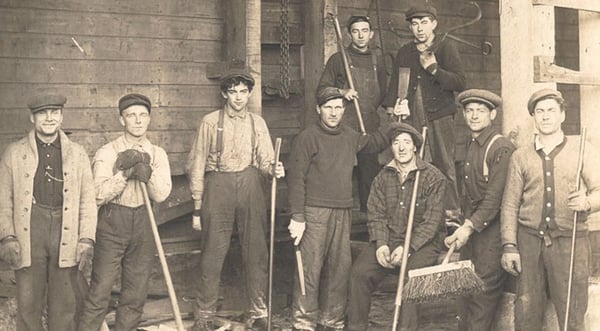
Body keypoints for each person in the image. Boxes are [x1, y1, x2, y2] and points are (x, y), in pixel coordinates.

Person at [286, 87, 399, 331]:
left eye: (338, 107)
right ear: (318, 109)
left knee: (340, 268)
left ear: (344, 110)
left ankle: (332, 321)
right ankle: (303, 322)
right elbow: (296, 178)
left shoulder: (350, 135)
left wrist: (395, 120)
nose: (334, 112)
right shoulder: (307, 138)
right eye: (328, 107)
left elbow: (376, 142)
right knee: (310, 268)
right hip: (314, 212)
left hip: (343, 211)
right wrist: (298, 216)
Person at [186, 69, 285, 330]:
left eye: (243, 92)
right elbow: (196, 164)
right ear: (224, 94)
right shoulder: (210, 121)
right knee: (212, 252)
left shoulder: (257, 123)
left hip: (250, 184)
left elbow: (265, 160)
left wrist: (274, 167)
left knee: (256, 251)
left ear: (249, 93)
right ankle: (205, 314)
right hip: (218, 184)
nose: (239, 97)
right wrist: (197, 205)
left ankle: (257, 311)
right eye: (233, 92)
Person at [501, 89, 600, 331]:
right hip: (529, 241)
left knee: (573, 312)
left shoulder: (582, 151)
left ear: (562, 115)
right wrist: (509, 246)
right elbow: (510, 203)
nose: (545, 117)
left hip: (571, 241)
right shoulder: (520, 156)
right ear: (533, 116)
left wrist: (587, 202)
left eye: (551, 111)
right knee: (526, 310)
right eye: (540, 111)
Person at [0, 94, 97, 331]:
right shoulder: (14, 153)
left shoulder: (77, 154)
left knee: (64, 302)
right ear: (32, 117)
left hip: (66, 229)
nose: (49, 118)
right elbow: (3, 199)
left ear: (62, 117)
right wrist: (8, 237)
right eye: (43, 113)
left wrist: (86, 238)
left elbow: (88, 200)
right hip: (30, 229)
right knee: (28, 301)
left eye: (55, 112)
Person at [78, 93, 172, 331]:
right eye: (131, 115)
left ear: (149, 119)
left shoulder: (158, 154)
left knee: (135, 292)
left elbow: (161, 195)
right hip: (112, 222)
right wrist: (124, 175)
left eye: (143, 115)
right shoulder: (107, 152)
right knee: (100, 291)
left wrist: (146, 173)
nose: (138, 121)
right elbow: (97, 194)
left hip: (144, 222)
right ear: (122, 120)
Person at [347, 124, 447, 331]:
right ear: (391, 147)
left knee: (411, 278)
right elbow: (376, 215)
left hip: (422, 244)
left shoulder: (433, 177)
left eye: (406, 142)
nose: (401, 148)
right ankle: (356, 327)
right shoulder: (382, 177)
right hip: (389, 238)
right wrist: (381, 244)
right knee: (359, 273)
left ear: (415, 147)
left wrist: (407, 248)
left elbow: (431, 223)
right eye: (396, 142)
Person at [382, 3, 466, 218]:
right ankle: (418, 215)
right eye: (415, 23)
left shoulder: (446, 48)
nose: (419, 28)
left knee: (444, 164)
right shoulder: (405, 52)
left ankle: (451, 215)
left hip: (440, 116)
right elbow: (395, 87)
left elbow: (459, 82)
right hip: (412, 118)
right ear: (410, 27)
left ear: (434, 24)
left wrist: (434, 69)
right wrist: (393, 109)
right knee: (412, 163)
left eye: (424, 23)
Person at [444, 89, 514, 331]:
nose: (474, 116)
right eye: (469, 110)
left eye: (481, 111)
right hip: (472, 237)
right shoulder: (471, 145)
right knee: (465, 300)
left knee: (480, 304)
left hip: (492, 238)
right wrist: (461, 225)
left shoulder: (500, 148)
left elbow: (494, 199)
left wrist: (468, 226)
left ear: (492, 115)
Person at [317, 15, 389, 212]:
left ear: (371, 34)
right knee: (341, 171)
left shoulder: (378, 60)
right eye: (356, 31)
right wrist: (342, 92)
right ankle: (338, 215)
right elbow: (322, 91)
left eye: (364, 30)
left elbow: (384, 93)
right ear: (349, 34)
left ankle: (370, 219)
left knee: (370, 173)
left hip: (369, 125)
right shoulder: (338, 59)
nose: (360, 35)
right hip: (345, 125)